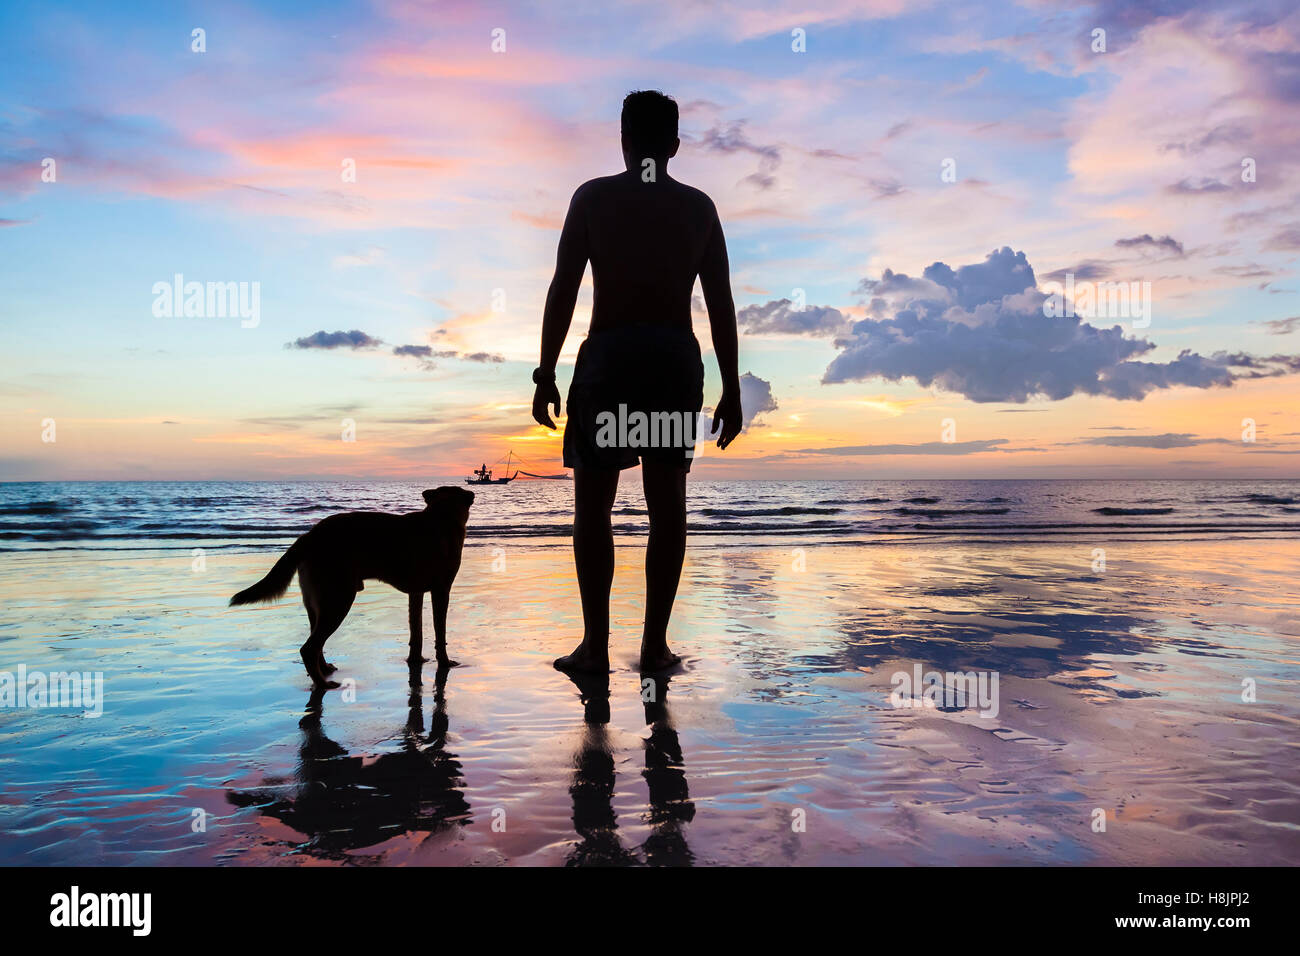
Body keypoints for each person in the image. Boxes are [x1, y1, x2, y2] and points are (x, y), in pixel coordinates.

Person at [532, 89, 742, 674]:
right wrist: (731, 385)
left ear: (622, 138)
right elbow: (720, 301)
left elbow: (564, 288)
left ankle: (595, 648)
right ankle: (653, 647)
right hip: (673, 360)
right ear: (674, 145)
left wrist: (546, 372)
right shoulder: (698, 207)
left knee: (593, 508)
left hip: (611, 358)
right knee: (667, 507)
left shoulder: (594, 198)